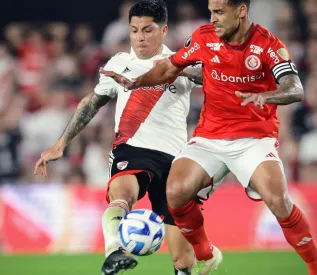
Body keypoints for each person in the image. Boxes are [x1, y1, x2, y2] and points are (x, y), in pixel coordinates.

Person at [100, 0, 317, 275]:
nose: (213, 18)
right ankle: (206, 255)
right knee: (175, 191)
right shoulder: (202, 38)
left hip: (253, 138)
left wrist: (265, 96)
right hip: (209, 136)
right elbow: (170, 67)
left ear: (241, 11)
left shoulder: (268, 45)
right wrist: (137, 82)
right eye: (211, 11)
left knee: (278, 200)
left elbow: (294, 88)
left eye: (219, 12)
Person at [34, 1, 220, 275]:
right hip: (132, 149)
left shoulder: (179, 62)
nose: (140, 37)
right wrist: (61, 143)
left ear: (164, 30)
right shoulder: (119, 63)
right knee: (121, 195)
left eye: (147, 29)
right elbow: (91, 102)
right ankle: (113, 254)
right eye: (134, 30)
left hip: (175, 161)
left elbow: (216, 77)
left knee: (182, 261)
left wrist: (180, 69)